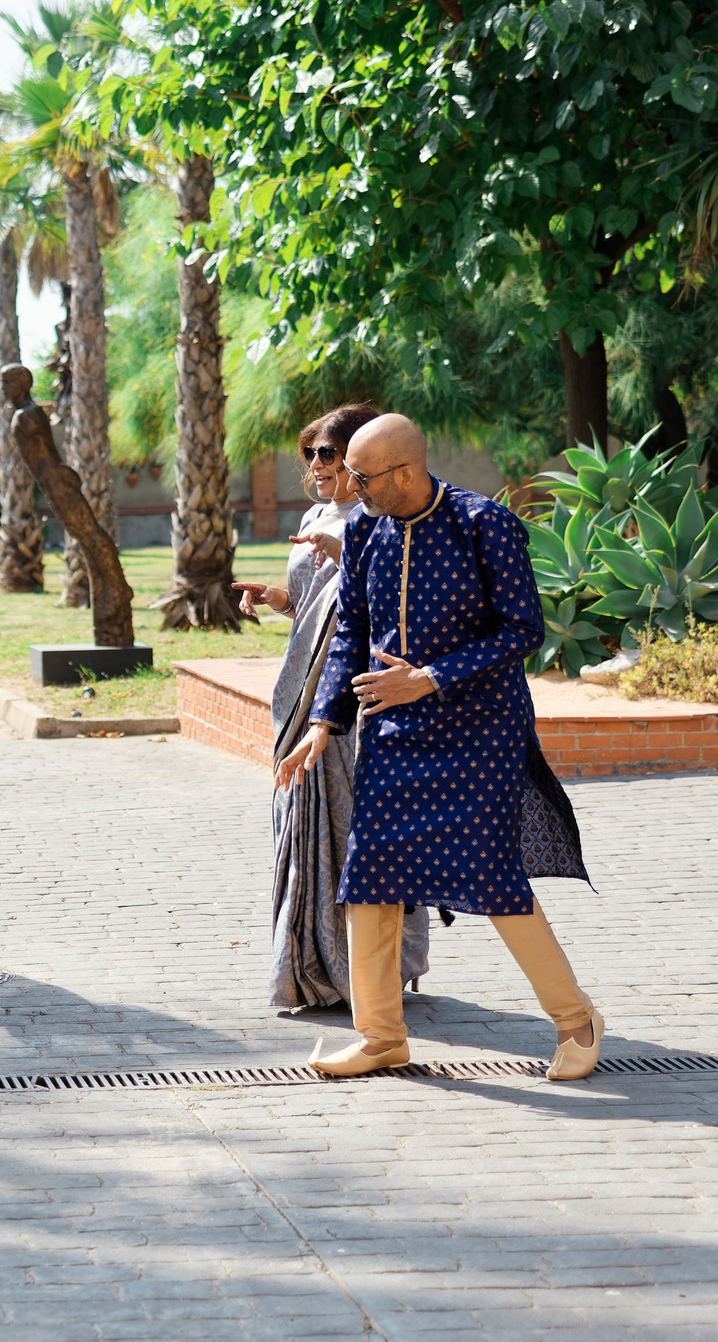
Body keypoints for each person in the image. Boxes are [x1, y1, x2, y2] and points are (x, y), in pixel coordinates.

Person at [278, 414, 598, 1080]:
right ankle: (380, 1035)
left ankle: (575, 1020)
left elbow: (520, 630)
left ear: (404, 471)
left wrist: (427, 678)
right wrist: (323, 723)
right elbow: (352, 633)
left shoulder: (484, 524)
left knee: (493, 879)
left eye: (362, 476)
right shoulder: (365, 527)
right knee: (370, 876)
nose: (350, 486)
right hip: (394, 735)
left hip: (479, 733)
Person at [241, 405, 431, 1012]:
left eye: (331, 454)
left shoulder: (384, 521)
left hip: (354, 697)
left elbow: (396, 601)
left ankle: (371, 978)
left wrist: (350, 553)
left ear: (363, 464)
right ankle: (309, 967)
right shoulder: (317, 515)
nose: (318, 466)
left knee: (358, 827)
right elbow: (313, 605)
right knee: (301, 821)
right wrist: (275, 598)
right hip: (303, 690)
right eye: (313, 454)